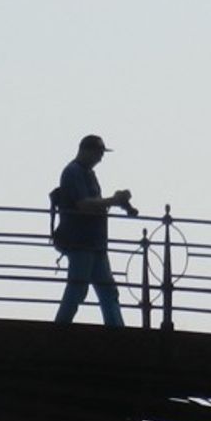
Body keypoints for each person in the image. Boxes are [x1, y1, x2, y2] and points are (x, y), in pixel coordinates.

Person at [52, 133, 136, 326]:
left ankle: (116, 331)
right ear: (87, 151)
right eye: (98, 153)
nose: (100, 158)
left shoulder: (86, 173)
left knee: (106, 290)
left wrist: (118, 202)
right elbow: (83, 204)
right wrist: (114, 201)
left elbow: (94, 203)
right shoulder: (73, 172)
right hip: (82, 243)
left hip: (94, 244)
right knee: (78, 288)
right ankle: (60, 329)